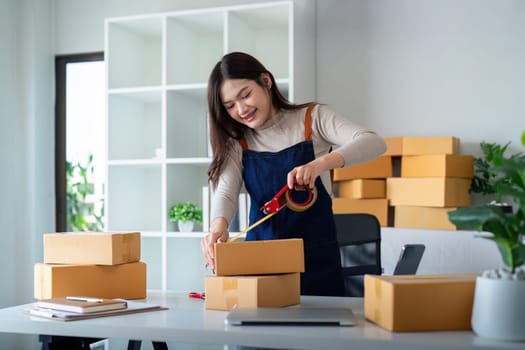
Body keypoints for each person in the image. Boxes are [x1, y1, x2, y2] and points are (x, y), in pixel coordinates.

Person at [201, 51, 386, 296]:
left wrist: (321, 164)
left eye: (245, 95)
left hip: (317, 260)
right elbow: (225, 191)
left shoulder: (313, 119)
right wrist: (217, 227)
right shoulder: (239, 141)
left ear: (266, 81)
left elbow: (374, 142)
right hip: (261, 264)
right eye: (230, 106)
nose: (241, 109)